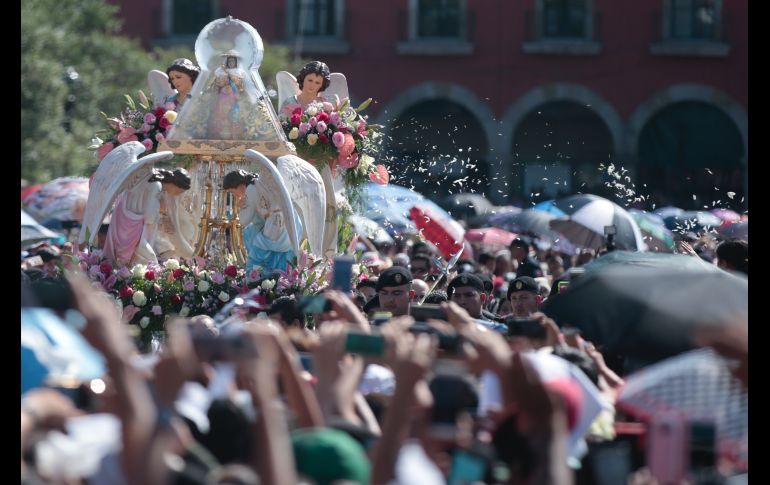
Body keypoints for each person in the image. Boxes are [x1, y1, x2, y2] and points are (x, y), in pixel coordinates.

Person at [103, 168, 191, 267]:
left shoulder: (157, 187)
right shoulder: (156, 186)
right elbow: (150, 216)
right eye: (179, 191)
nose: (178, 194)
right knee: (149, 261)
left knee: (144, 260)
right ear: (175, 184)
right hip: (135, 228)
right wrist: (162, 214)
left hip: (133, 224)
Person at [223, 169, 302, 273]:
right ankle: (275, 271)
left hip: (279, 224)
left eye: (233, 192)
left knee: (256, 244)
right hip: (290, 223)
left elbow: (243, 220)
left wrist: (240, 206)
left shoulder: (250, 190)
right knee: (251, 232)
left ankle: (259, 274)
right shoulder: (258, 184)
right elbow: (259, 217)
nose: (235, 196)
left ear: (240, 185)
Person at [209, 52, 247, 139]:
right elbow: (216, 83)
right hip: (222, 94)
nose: (231, 63)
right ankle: (219, 133)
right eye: (229, 61)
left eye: (233, 61)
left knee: (233, 114)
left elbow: (238, 83)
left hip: (233, 95)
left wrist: (227, 72)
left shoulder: (239, 72)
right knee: (221, 112)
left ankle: (234, 134)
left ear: (236, 62)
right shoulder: (220, 71)